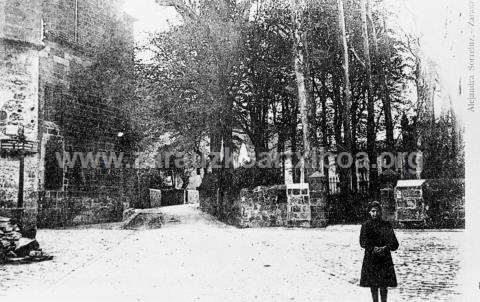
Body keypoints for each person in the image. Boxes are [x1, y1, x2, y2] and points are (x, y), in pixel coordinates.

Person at [359, 201, 399, 302]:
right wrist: (372, 248)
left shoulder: (386, 225)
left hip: (384, 259)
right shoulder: (366, 226)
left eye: (377, 211)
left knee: (383, 285)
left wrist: (385, 248)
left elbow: (394, 243)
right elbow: (362, 242)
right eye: (373, 211)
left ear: (380, 212)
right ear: (369, 212)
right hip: (371, 258)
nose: (375, 214)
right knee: (373, 285)